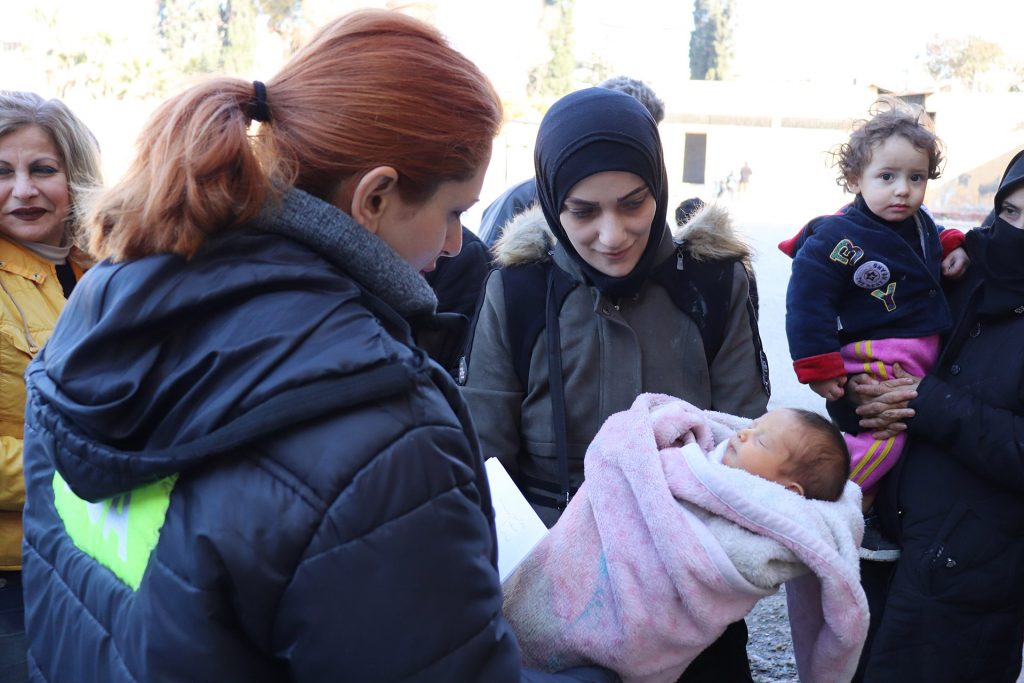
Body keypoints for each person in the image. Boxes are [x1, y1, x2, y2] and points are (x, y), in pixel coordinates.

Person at [19, 11, 617, 683]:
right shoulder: (388, 438)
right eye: (453, 211)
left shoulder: (102, 309)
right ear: (375, 196)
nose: (456, 244)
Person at [463, 87, 770, 683]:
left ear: (659, 182)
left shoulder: (714, 282)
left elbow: (745, 440)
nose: (613, 234)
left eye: (634, 203)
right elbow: (484, 460)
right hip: (555, 592)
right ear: (552, 202)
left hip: (692, 591)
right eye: (584, 211)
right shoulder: (518, 292)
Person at [503, 394, 867, 683]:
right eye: (752, 427)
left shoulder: (759, 525)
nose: (742, 434)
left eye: (762, 441)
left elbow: (699, 559)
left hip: (640, 620)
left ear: (788, 491)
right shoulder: (709, 457)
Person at [845, 149, 1024, 682]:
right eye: (1010, 213)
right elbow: (872, 345)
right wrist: (856, 393)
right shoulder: (954, 269)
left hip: (973, 574)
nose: (1016, 232)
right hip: (882, 543)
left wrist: (933, 403)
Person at [779, 98, 968, 556]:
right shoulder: (838, 240)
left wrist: (953, 245)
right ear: (855, 180)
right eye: (887, 177)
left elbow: (931, 233)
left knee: (891, 439)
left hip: (915, 355)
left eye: (915, 178)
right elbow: (808, 303)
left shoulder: (917, 224)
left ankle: (862, 509)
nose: (902, 190)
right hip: (876, 356)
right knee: (886, 441)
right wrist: (819, 366)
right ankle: (826, 502)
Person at [0, 91, 101, 683]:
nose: (23, 190)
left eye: (42, 169)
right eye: (2, 172)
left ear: (75, 175)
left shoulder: (113, 265)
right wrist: (78, 468)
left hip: (101, 560)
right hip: (12, 577)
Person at [476, 75, 665, 247]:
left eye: (634, 203)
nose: (612, 238)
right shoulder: (518, 201)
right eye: (582, 211)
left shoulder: (678, 263)